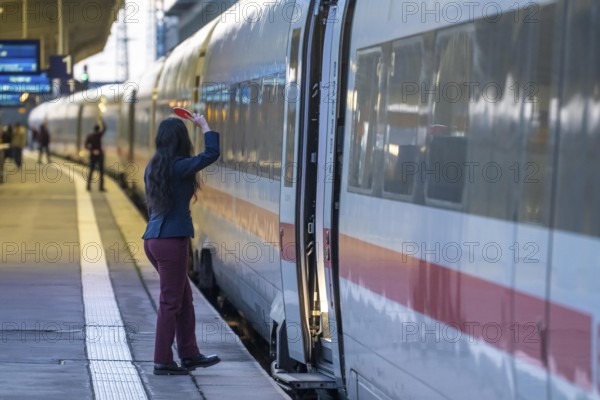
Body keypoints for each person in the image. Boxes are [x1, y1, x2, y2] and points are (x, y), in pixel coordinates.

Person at [142, 114, 221, 375]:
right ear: (181, 140)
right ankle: (162, 360)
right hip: (171, 243)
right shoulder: (180, 166)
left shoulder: (152, 167)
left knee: (184, 300)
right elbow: (210, 154)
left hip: (153, 239)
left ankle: (189, 354)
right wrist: (205, 127)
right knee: (170, 303)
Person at [84, 119, 106, 191]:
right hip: (100, 155)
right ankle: (101, 187)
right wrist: (102, 121)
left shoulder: (89, 136)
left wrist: (92, 150)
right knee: (101, 171)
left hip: (92, 155)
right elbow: (105, 128)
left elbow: (86, 145)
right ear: (98, 129)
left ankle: (88, 186)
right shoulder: (99, 134)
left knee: (91, 170)